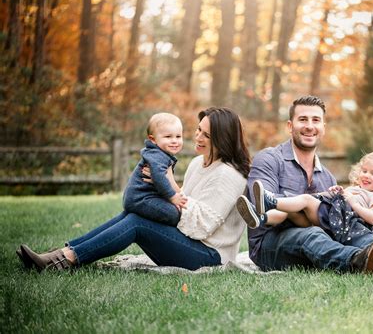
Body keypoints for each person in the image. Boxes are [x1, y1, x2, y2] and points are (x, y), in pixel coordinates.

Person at [17, 107, 251, 272]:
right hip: (191, 242)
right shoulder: (198, 163)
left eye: (206, 134)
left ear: (222, 139)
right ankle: (64, 253)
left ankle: (62, 261)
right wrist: (168, 187)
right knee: (133, 214)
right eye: (198, 129)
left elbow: (202, 226)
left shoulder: (228, 176)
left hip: (211, 256)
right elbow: (184, 202)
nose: (197, 137)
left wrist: (168, 190)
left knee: (138, 222)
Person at [243, 95, 373, 273]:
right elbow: (262, 204)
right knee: (313, 234)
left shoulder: (327, 178)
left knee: (335, 232)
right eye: (303, 119)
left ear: (323, 128)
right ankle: (357, 262)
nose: (309, 126)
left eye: (316, 120)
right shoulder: (269, 159)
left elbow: (335, 224)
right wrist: (308, 204)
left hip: (317, 242)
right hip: (269, 244)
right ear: (290, 126)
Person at [237, 150, 373, 271]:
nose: (366, 175)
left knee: (306, 210)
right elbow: (337, 200)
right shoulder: (271, 158)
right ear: (290, 125)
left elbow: (372, 217)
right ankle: (264, 211)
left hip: (344, 225)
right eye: (364, 171)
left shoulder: (370, 193)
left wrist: (346, 198)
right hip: (295, 231)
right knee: (296, 210)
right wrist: (338, 193)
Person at [122, 112, 187, 226]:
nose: (174, 141)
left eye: (178, 136)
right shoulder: (157, 155)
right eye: (168, 136)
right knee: (173, 214)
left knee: (174, 210)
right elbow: (159, 177)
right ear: (153, 139)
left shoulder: (160, 153)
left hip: (144, 197)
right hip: (140, 199)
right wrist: (172, 197)